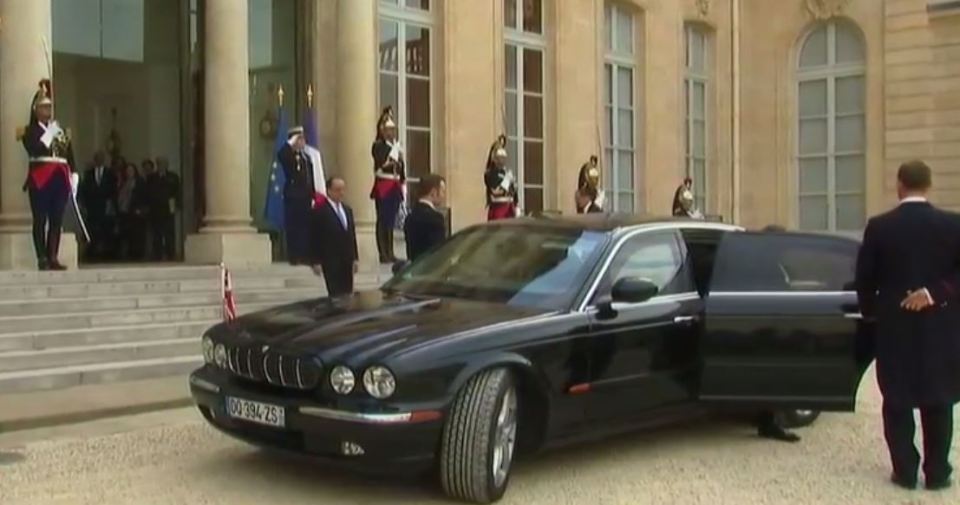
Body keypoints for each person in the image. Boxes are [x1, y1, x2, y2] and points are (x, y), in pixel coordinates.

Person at [855, 159, 960, 491]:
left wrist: (874, 314)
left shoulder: (879, 226)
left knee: (897, 401)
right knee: (938, 400)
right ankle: (937, 473)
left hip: (894, 328)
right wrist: (934, 294)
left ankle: (904, 470)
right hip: (941, 328)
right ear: (928, 186)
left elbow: (864, 280)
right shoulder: (953, 225)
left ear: (900, 184)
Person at [20, 79, 75, 271]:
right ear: (36, 110)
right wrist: (48, 135)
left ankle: (53, 256)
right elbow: (34, 149)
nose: (48, 111)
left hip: (59, 178)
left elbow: (68, 153)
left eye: (49, 108)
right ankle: (41, 257)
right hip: (41, 178)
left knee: (56, 218)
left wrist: (73, 174)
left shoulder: (58, 130)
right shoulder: (30, 132)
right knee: (40, 219)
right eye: (44, 107)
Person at [370, 107, 406, 264]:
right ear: (382, 130)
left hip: (394, 183)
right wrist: (391, 160)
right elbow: (381, 163)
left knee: (391, 220)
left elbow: (400, 166)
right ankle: (382, 253)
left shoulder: (395, 146)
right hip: (383, 183)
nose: (391, 133)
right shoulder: (378, 145)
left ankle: (390, 252)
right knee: (382, 219)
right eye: (388, 130)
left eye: (393, 130)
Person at [314, 177, 359, 298]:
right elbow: (315, 238)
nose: (341, 193)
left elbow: (351, 236)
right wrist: (316, 261)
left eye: (343, 189)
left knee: (348, 293)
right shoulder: (320, 211)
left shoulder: (347, 210)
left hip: (347, 261)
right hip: (331, 261)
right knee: (336, 295)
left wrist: (355, 258)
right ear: (329, 191)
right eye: (338, 189)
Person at [278, 126, 317, 266]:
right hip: (293, 196)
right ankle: (294, 255)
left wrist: (313, 195)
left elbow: (310, 178)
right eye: (299, 139)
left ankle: (305, 254)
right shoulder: (289, 156)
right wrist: (290, 143)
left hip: (306, 197)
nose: (303, 142)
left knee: (305, 227)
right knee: (294, 227)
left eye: (303, 139)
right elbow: (281, 155)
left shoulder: (306, 158)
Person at [80, 151, 117, 262]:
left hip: (105, 205)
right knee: (92, 229)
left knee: (106, 230)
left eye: (101, 158)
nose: (99, 160)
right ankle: (92, 251)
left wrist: (111, 203)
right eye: (97, 158)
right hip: (92, 206)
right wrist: (84, 205)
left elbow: (113, 188)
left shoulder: (110, 173)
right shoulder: (88, 173)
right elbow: (85, 190)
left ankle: (106, 252)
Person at [404, 174, 447, 262]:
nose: (444, 196)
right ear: (433, 192)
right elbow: (439, 253)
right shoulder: (435, 218)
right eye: (442, 191)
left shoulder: (410, 217)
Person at [145, 157, 181, 261]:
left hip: (168, 209)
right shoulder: (151, 178)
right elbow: (148, 193)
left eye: (163, 164)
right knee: (157, 233)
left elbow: (177, 192)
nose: (161, 166)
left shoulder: (173, 177)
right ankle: (157, 254)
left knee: (169, 232)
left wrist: (177, 205)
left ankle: (171, 253)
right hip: (155, 209)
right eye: (159, 164)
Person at [484, 134, 519, 221]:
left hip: (510, 209)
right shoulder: (489, 173)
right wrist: (507, 181)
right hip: (499, 209)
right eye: (500, 157)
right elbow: (495, 192)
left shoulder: (505, 172)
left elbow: (513, 192)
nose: (502, 159)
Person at [117, 163, 147, 261]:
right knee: (127, 233)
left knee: (137, 234)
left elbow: (143, 196)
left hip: (136, 211)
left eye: (131, 170)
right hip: (124, 211)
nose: (129, 173)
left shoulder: (139, 182)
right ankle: (128, 253)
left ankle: (138, 254)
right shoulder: (123, 182)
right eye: (127, 171)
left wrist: (140, 208)